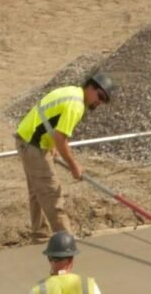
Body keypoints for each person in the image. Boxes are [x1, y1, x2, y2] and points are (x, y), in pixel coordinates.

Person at [15, 72, 114, 239]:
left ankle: (40, 235)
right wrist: (74, 166)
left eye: (104, 100)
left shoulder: (72, 92)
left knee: (37, 191)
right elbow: (61, 138)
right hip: (33, 145)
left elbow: (51, 119)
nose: (99, 102)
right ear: (90, 87)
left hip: (27, 138)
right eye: (100, 96)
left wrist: (51, 145)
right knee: (52, 193)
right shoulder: (76, 106)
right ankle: (66, 242)